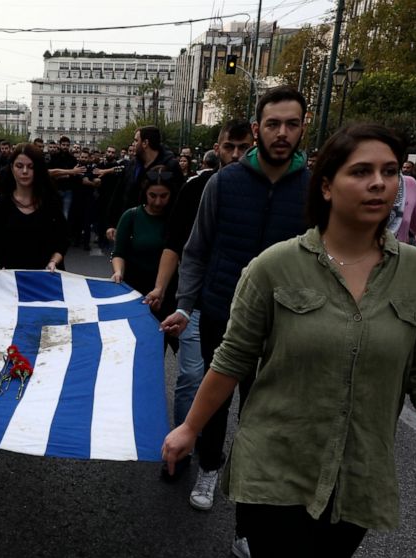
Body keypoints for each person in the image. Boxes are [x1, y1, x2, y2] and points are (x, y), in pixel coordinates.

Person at [162, 124, 416, 557]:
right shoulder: (274, 267)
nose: (379, 183)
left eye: (389, 171)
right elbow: (231, 358)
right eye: (361, 171)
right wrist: (190, 428)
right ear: (326, 186)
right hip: (274, 470)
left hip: (358, 478)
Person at [160, 88, 310, 556]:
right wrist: (186, 304)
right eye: (272, 124)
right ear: (257, 128)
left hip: (288, 324)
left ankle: (249, 515)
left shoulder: (316, 187)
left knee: (265, 417)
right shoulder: (223, 183)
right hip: (223, 313)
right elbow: (197, 249)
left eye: (291, 124)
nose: (281, 133)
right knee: (216, 402)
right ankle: (209, 467)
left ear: (303, 127)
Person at [144, 118, 252, 453]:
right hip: (199, 302)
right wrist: (163, 289)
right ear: (217, 148)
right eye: (229, 147)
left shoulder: (269, 191)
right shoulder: (195, 188)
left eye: (243, 147)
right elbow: (177, 245)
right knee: (195, 376)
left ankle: (241, 457)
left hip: (250, 307)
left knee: (250, 387)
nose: (235, 155)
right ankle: (185, 445)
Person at [110, 165, 178, 352]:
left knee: (156, 348)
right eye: (152, 195)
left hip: (165, 294)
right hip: (134, 291)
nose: (157, 201)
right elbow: (118, 252)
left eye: (163, 196)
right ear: (145, 193)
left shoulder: (176, 219)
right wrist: (118, 272)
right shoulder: (131, 216)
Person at [0, 143, 69, 271]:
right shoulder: (2, 203)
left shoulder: (50, 201)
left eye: (30, 167)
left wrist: (53, 262)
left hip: (46, 277)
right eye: (19, 166)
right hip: (11, 282)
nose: (25, 171)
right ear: (12, 168)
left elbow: (62, 240)